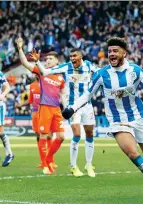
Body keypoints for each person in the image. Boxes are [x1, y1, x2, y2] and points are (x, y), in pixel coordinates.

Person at [62, 37, 143, 204]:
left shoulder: (135, 71)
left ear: (124, 53)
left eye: (115, 51)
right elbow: (87, 95)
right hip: (117, 121)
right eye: (110, 51)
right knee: (132, 153)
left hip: (137, 118)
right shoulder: (102, 74)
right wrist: (72, 108)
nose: (111, 54)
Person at [34, 48, 99, 177]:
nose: (72, 58)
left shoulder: (89, 66)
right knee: (76, 134)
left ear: (81, 56)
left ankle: (89, 164)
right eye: (71, 56)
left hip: (87, 105)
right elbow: (45, 72)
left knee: (90, 133)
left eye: (75, 56)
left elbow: (100, 75)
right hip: (73, 106)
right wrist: (37, 62)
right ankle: (74, 166)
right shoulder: (65, 67)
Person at [17, 37, 66, 174]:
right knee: (43, 136)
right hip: (44, 108)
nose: (47, 61)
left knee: (61, 137)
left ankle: (49, 158)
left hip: (56, 109)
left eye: (50, 59)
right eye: (46, 59)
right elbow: (25, 63)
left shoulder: (61, 77)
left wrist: (67, 107)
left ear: (57, 61)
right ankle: (45, 164)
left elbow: (62, 94)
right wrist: (20, 48)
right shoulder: (42, 72)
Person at [15, 76, 58, 169]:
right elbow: (30, 100)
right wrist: (20, 104)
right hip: (35, 113)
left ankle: (51, 161)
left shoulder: (48, 84)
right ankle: (43, 162)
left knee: (49, 136)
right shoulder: (32, 86)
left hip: (46, 112)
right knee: (39, 137)